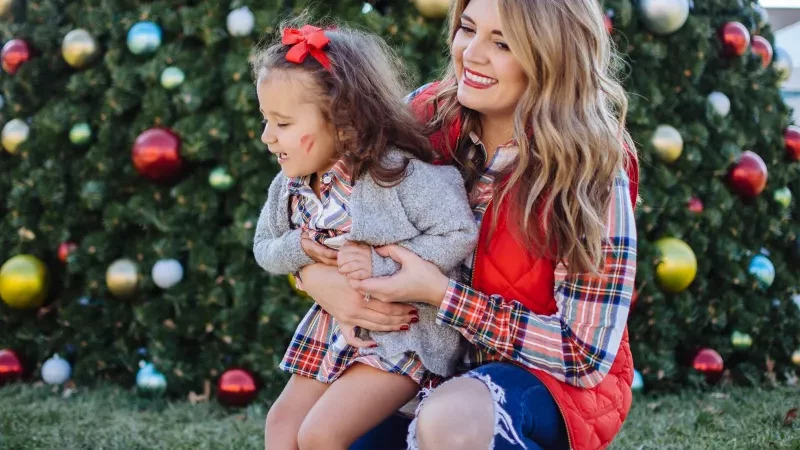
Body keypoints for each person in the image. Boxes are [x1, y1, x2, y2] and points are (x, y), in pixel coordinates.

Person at [297, 0, 640, 449]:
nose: (471, 54)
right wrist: (316, 276)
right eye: (467, 28)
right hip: (425, 361)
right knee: (302, 429)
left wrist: (440, 295)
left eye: (502, 43)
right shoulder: (423, 116)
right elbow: (311, 198)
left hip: (542, 380)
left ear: (553, 54)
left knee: (449, 420)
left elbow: (583, 354)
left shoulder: (589, 171)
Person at [251, 21, 480, 450]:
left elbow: (459, 234)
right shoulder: (290, 185)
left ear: (344, 123)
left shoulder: (398, 176)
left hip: (402, 336)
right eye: (266, 120)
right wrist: (298, 249)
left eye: (281, 123)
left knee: (321, 434)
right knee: (281, 427)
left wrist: (379, 264)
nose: (267, 137)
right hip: (334, 327)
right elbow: (264, 247)